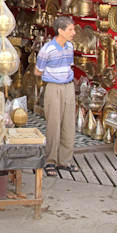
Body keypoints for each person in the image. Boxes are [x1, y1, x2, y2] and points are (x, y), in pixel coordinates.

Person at [34, 16, 77, 177]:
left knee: (69, 124)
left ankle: (65, 161)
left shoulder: (70, 46)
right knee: (54, 124)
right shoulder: (47, 49)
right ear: (60, 31)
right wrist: (53, 77)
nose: (73, 32)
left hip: (68, 87)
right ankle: (50, 160)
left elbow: (69, 66)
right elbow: (38, 71)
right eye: (70, 29)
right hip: (53, 88)